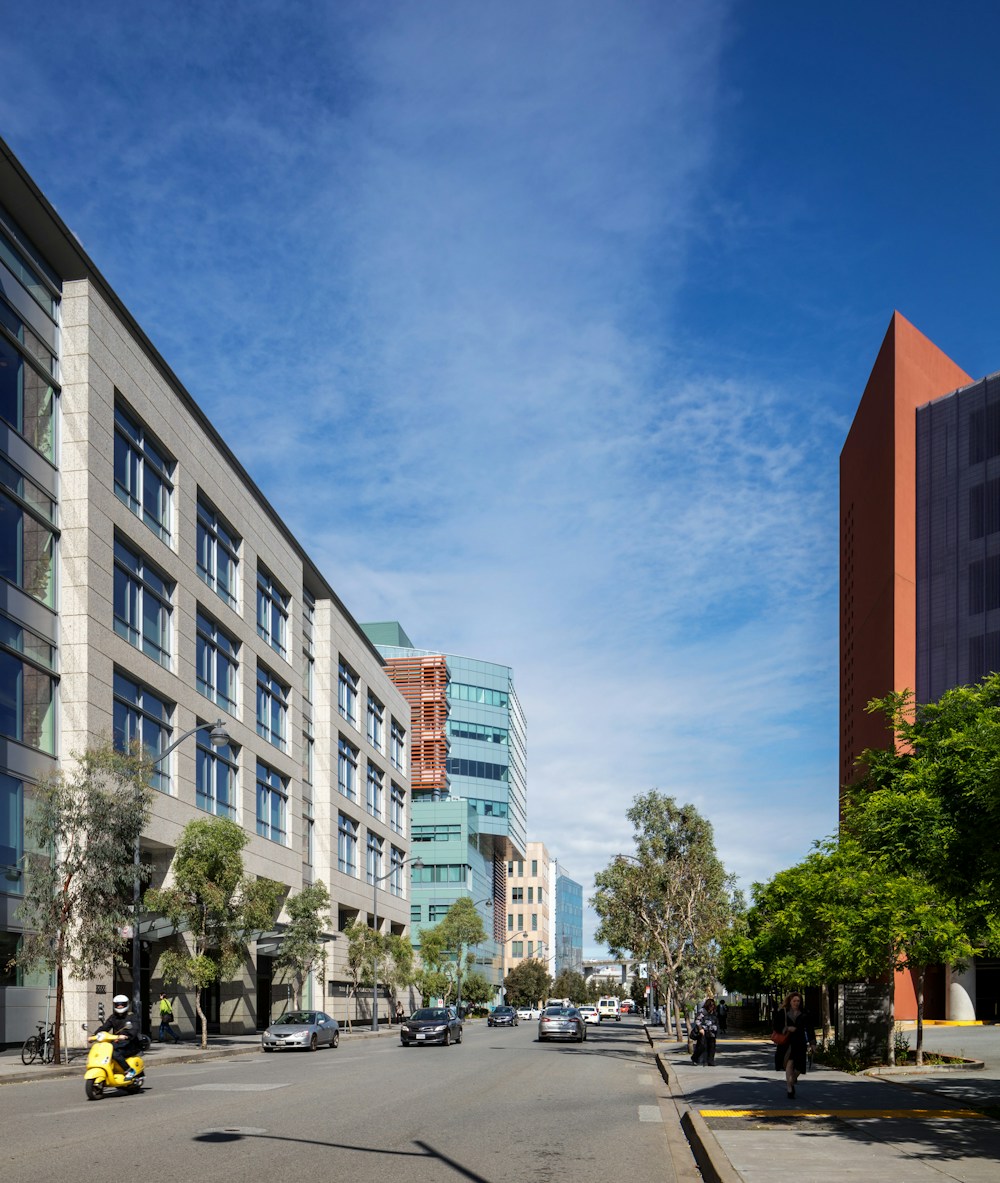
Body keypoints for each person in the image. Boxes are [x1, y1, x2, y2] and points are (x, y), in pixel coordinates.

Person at [773, 991, 817, 1098]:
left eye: (798, 1001)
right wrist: (786, 1028)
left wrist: (812, 1043)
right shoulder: (783, 1012)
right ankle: (789, 1088)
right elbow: (775, 1026)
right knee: (789, 1064)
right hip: (787, 1043)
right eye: (794, 1001)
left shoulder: (805, 1013)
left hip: (800, 1042)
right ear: (790, 1001)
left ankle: (792, 1079)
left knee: (799, 1067)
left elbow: (810, 1029)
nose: (796, 1003)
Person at [97, 994, 141, 1080]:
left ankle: (129, 1070)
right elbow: (105, 1027)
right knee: (104, 1050)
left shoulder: (132, 1017)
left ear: (126, 1005)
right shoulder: (113, 1017)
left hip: (131, 1044)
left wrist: (126, 1036)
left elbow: (134, 1029)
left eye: (122, 1004)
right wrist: (94, 1035)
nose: (120, 1006)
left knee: (114, 1053)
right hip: (118, 1042)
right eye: (118, 1004)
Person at [691, 998, 720, 1066]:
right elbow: (698, 1020)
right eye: (710, 1005)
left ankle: (710, 1061)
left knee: (712, 1046)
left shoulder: (714, 1012)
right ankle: (695, 1058)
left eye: (713, 1005)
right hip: (703, 1031)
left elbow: (716, 1020)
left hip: (712, 1031)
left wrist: (716, 1028)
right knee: (701, 1046)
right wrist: (700, 1029)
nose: (712, 1006)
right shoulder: (702, 1011)